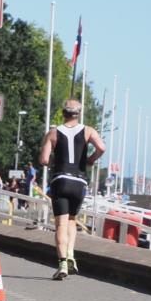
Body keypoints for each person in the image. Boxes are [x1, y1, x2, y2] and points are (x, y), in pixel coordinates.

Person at [39, 99, 105, 280]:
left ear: (63, 113)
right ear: (79, 114)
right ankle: (70, 256)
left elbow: (44, 159)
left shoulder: (53, 133)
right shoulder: (88, 131)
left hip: (61, 180)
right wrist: (90, 160)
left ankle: (62, 264)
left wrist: (56, 164)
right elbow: (101, 147)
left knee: (60, 224)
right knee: (72, 221)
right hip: (79, 182)